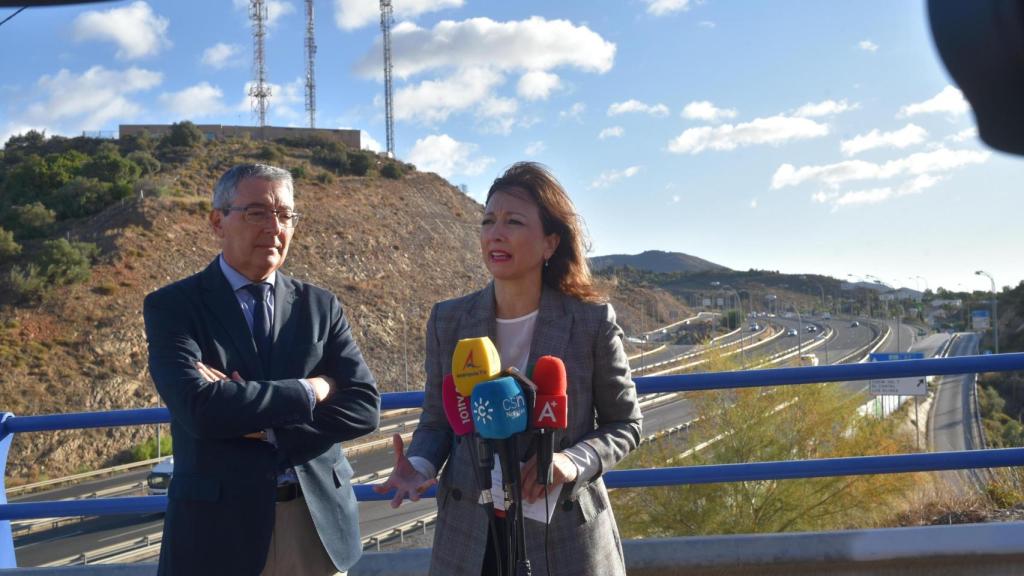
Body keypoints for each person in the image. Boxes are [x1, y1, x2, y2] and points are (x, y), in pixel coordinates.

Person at [375, 162, 643, 575]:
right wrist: (420, 465)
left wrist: (571, 462)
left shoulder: (590, 321)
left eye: (513, 221)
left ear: (550, 243)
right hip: (470, 539)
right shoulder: (449, 320)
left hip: (566, 538)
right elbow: (437, 422)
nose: (495, 233)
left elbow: (624, 424)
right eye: (488, 221)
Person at [144, 163, 380, 576]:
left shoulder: (319, 306)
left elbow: (363, 406)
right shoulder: (174, 307)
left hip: (315, 529)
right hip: (218, 536)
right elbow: (200, 408)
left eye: (285, 214)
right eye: (257, 213)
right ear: (217, 221)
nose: (275, 227)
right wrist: (313, 390)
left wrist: (255, 417)